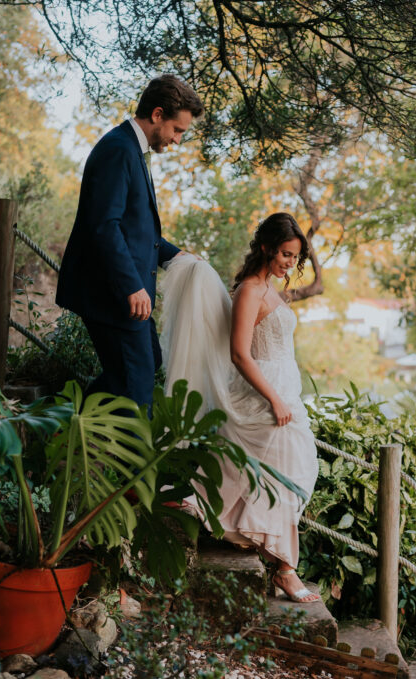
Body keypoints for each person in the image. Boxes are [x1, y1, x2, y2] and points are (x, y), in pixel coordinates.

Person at [158, 213, 320, 603]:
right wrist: (274, 398)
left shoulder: (269, 289)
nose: (289, 263)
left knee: (292, 469)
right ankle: (285, 569)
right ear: (265, 247)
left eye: (295, 258)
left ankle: (201, 505)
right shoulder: (250, 290)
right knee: (284, 473)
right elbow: (238, 354)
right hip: (262, 395)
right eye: (284, 254)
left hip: (281, 393)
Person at [56, 75, 203, 409]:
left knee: (146, 362)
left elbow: (138, 233)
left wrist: (178, 256)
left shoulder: (132, 150)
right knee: (136, 391)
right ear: (157, 114)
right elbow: (104, 226)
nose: (177, 140)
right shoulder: (119, 150)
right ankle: (136, 460)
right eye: (177, 130)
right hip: (114, 294)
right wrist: (131, 286)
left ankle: (71, 424)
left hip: (126, 294)